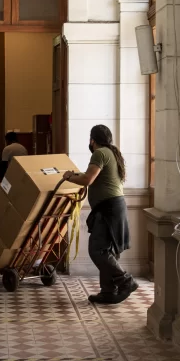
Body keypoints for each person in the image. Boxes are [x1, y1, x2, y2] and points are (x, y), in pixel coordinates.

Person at [63, 125, 137, 304]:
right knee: (107, 250)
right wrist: (77, 175)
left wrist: (68, 177)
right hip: (114, 207)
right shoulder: (111, 152)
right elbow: (93, 175)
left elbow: (88, 179)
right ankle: (108, 292)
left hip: (108, 209)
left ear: (92, 140)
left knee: (97, 250)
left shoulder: (99, 153)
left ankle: (125, 280)